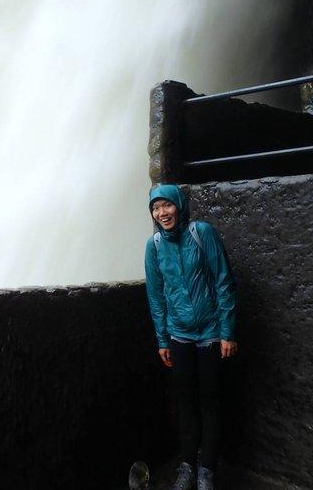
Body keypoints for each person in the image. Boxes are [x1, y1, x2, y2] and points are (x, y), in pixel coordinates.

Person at [144, 184, 237, 490]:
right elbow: (156, 296)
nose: (162, 213)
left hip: (210, 334)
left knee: (210, 400)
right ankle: (187, 465)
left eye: (166, 206)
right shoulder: (154, 246)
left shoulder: (202, 233)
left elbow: (223, 280)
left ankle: (207, 470)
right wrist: (161, 339)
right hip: (179, 336)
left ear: (179, 206)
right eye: (156, 208)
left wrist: (227, 331)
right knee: (186, 401)